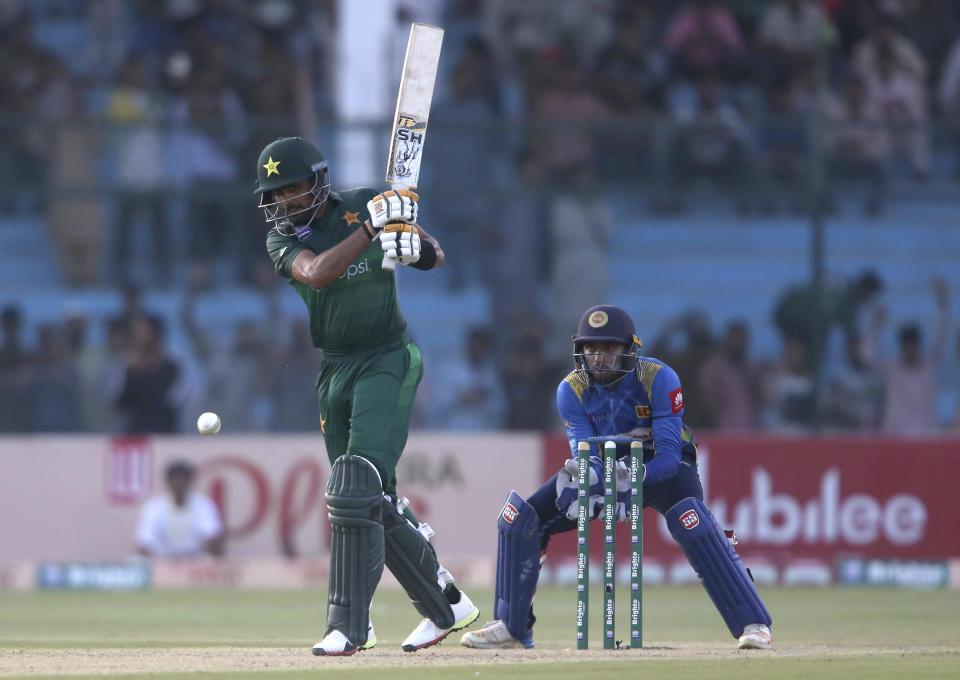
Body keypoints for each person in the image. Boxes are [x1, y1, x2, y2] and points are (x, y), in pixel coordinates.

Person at [255, 136, 479, 656]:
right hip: (334, 368)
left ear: (318, 180)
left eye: (293, 188)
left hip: (387, 356)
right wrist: (374, 231)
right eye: (276, 193)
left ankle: (350, 627)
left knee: (357, 483)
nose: (285, 201)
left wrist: (411, 247)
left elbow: (435, 256)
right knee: (364, 499)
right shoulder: (283, 241)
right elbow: (318, 273)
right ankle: (447, 606)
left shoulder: (362, 204)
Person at [460, 304, 772, 651]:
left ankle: (753, 624)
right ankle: (511, 626)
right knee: (520, 520)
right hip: (608, 468)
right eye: (591, 349)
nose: (599, 358)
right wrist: (593, 475)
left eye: (609, 348)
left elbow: (669, 457)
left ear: (630, 348)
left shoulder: (658, 377)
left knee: (692, 521)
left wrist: (632, 476)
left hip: (660, 467)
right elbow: (586, 454)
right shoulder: (571, 389)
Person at [135, 460, 224, 558]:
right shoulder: (153, 507)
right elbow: (145, 540)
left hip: (196, 561)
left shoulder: (204, 505)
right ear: (168, 481)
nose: (179, 482)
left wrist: (213, 544)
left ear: (191, 481)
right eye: (175, 478)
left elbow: (212, 534)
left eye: (184, 478)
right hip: (162, 561)